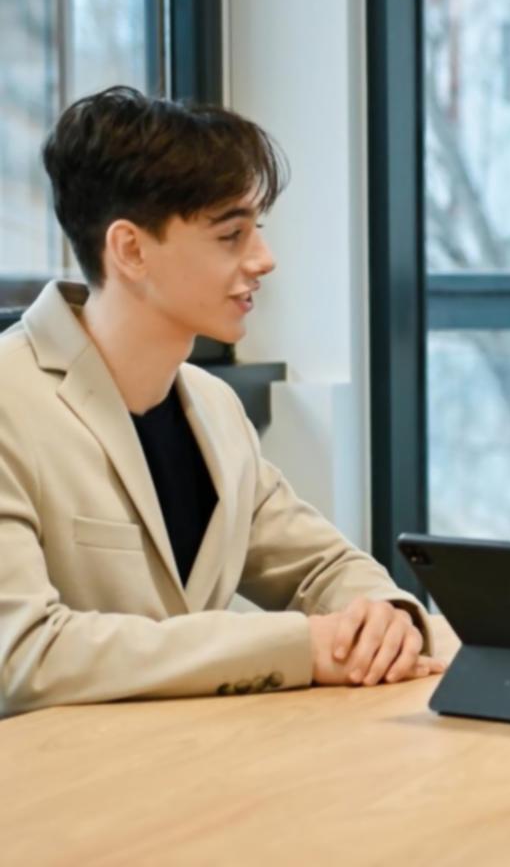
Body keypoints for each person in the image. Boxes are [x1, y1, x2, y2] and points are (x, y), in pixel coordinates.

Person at [0, 87, 441, 716]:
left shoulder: (213, 406)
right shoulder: (10, 401)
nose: (264, 259)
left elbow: (319, 567)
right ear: (130, 249)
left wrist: (386, 618)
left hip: (194, 774)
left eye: (256, 230)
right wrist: (294, 647)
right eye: (231, 235)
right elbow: (24, 656)